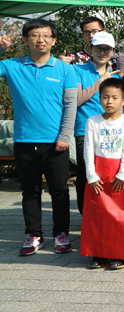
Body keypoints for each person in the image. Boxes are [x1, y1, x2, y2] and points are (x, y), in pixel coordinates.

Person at [0, 19, 77, 256]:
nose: (40, 40)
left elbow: (70, 105)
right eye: (34, 35)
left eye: (45, 35)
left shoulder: (65, 69)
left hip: (56, 142)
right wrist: (1, 48)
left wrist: (64, 136)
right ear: (25, 40)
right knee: (29, 191)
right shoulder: (12, 66)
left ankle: (61, 234)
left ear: (53, 40)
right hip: (24, 140)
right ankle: (33, 234)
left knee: (59, 190)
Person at [84, 78, 124, 270]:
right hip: (98, 174)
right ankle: (98, 252)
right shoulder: (93, 121)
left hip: (119, 176)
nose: (109, 101)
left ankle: (119, 252)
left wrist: (123, 173)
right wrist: (91, 175)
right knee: (98, 215)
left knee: (119, 215)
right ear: (99, 98)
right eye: (105, 97)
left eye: (115, 97)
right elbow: (88, 149)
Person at [74, 32, 120, 215]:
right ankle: (85, 215)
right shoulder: (77, 71)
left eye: (107, 49)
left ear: (113, 51)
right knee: (86, 173)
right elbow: (77, 99)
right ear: (91, 49)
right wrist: (101, 81)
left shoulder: (117, 76)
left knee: (108, 173)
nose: (102, 52)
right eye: (99, 48)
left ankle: (104, 215)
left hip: (111, 132)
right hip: (84, 131)